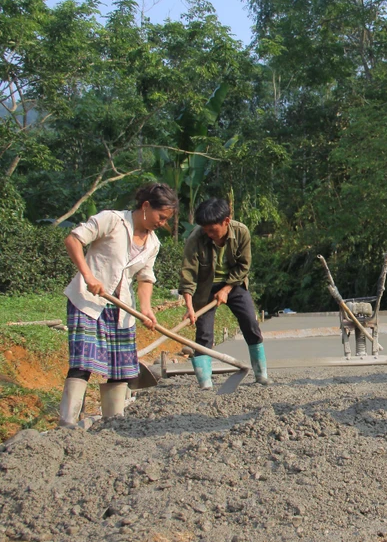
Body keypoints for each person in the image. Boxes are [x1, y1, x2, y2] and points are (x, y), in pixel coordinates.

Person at [59, 183, 178, 426]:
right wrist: (89, 277)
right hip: (88, 302)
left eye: (166, 219)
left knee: (120, 367)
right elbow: (73, 240)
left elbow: (146, 278)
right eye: (161, 216)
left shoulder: (153, 243)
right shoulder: (112, 220)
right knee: (83, 362)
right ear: (146, 206)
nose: (162, 223)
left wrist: (146, 308)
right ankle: (67, 424)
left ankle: (113, 423)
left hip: (121, 309)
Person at [180, 198, 270, 388]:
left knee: (251, 324)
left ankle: (261, 374)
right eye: (205, 230)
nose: (209, 234)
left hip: (235, 284)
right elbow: (188, 273)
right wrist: (189, 305)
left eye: (213, 230)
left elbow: (244, 266)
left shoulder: (241, 232)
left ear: (226, 221)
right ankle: (205, 382)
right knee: (203, 333)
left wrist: (226, 289)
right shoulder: (196, 238)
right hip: (205, 288)